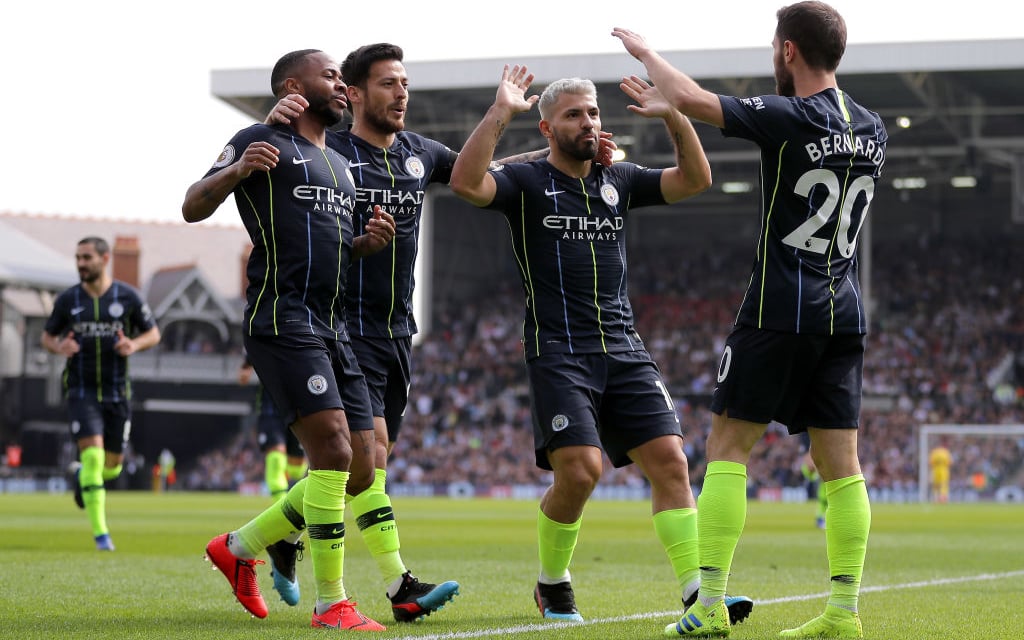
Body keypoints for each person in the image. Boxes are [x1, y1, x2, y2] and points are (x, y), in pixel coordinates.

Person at [262, 43, 616, 622]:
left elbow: (484, 171)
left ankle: (263, 538)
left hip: (398, 330)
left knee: (361, 471)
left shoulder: (418, 153)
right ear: (353, 94)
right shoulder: (328, 151)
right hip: (341, 326)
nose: (402, 93)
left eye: (405, 83)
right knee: (365, 460)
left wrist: (555, 150)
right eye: (387, 84)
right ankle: (396, 586)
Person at [613, 2, 886, 637]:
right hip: (843, 310)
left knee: (729, 449)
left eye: (774, 45)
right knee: (841, 463)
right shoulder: (872, 126)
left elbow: (691, 96)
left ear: (789, 50)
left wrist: (648, 54)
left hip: (777, 307)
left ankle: (708, 605)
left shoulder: (789, 116)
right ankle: (843, 613)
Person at [447, 65, 753, 626]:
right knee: (582, 471)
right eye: (573, 114)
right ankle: (553, 583)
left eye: (592, 112)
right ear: (546, 129)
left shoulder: (620, 179)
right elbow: (466, 184)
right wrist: (500, 112)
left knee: (671, 462)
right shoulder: (526, 185)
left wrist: (673, 115)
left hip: (626, 348)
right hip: (560, 350)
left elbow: (694, 180)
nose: (587, 122)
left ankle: (697, 594)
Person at [182, 48, 396, 631]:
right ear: (293, 86)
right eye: (331, 76)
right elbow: (191, 206)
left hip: (334, 328)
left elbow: (328, 246)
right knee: (331, 452)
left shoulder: (342, 166)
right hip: (283, 319)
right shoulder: (260, 138)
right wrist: (236, 171)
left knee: (364, 465)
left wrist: (364, 246)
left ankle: (241, 546)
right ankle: (334, 605)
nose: (343, 87)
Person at [42, 236, 161, 551]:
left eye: (87, 258)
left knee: (112, 466)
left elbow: (153, 333)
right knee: (93, 454)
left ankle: (82, 475)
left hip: (117, 392)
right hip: (81, 389)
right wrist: (59, 346)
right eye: (78, 258)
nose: (81, 264)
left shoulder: (129, 297)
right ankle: (102, 536)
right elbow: (47, 336)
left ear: (105, 259)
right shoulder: (68, 300)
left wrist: (133, 345)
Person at [238, 354, 308, 606]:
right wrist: (246, 369)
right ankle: (284, 525)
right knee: (275, 461)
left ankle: (287, 513)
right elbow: (249, 359)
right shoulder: (268, 324)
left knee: (297, 470)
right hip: (270, 407)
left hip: (301, 403)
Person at [929, 437, 952, 503]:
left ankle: (935, 498)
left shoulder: (934, 452)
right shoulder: (945, 452)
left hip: (935, 469)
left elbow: (931, 462)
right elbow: (950, 462)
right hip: (944, 470)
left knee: (936, 485)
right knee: (944, 484)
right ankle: (943, 499)